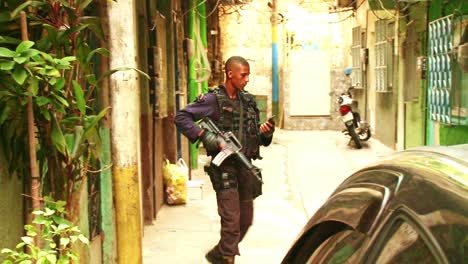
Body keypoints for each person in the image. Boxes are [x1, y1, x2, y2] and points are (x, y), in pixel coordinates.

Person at [174, 56, 275, 264]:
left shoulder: (248, 100)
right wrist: (207, 137)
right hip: (225, 168)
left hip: (246, 166)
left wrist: (265, 133)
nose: (247, 79)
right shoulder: (213, 100)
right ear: (230, 74)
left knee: (245, 221)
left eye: (248, 75)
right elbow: (182, 117)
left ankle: (219, 254)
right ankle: (227, 258)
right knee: (231, 223)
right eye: (243, 75)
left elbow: (257, 136)